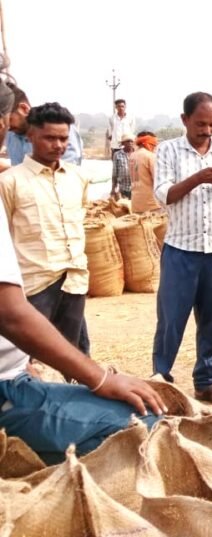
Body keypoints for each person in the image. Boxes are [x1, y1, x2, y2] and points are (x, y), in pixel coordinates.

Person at [0, 196, 164, 463]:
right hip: (7, 387)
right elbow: (10, 313)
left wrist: (16, 359)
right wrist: (101, 379)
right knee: (147, 423)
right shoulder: (13, 183)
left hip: (17, 370)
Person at [152, 92, 212, 405]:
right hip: (182, 250)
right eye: (200, 124)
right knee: (171, 320)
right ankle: (161, 382)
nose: (207, 130)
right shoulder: (168, 151)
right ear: (185, 120)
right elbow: (164, 195)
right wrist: (198, 178)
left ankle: (205, 383)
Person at [0, 103, 92, 356]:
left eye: (63, 138)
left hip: (74, 281)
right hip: (33, 285)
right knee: (28, 359)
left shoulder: (78, 178)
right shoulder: (10, 182)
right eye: (50, 138)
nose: (58, 145)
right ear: (31, 136)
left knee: (72, 357)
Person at [3, 83, 83, 167]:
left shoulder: (59, 128)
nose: (6, 126)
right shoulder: (11, 134)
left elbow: (66, 171)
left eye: (9, 119)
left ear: (24, 109)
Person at [129, 131, 161, 213]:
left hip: (136, 204)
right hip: (151, 205)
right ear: (146, 143)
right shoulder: (150, 156)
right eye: (153, 144)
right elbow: (158, 181)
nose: (154, 147)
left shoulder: (132, 156)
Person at [111, 134, 135, 199]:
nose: (130, 143)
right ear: (123, 143)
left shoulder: (137, 154)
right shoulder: (117, 154)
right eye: (128, 141)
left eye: (131, 141)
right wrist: (113, 189)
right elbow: (114, 173)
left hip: (136, 190)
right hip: (123, 189)